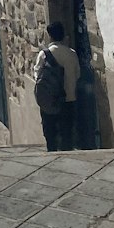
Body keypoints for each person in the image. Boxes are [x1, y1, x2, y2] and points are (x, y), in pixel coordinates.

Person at [34, 21, 80, 151]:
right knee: (67, 133)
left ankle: (52, 154)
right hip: (69, 99)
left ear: (50, 36)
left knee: (50, 133)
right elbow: (77, 75)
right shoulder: (72, 53)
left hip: (50, 100)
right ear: (63, 36)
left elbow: (38, 76)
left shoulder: (44, 54)